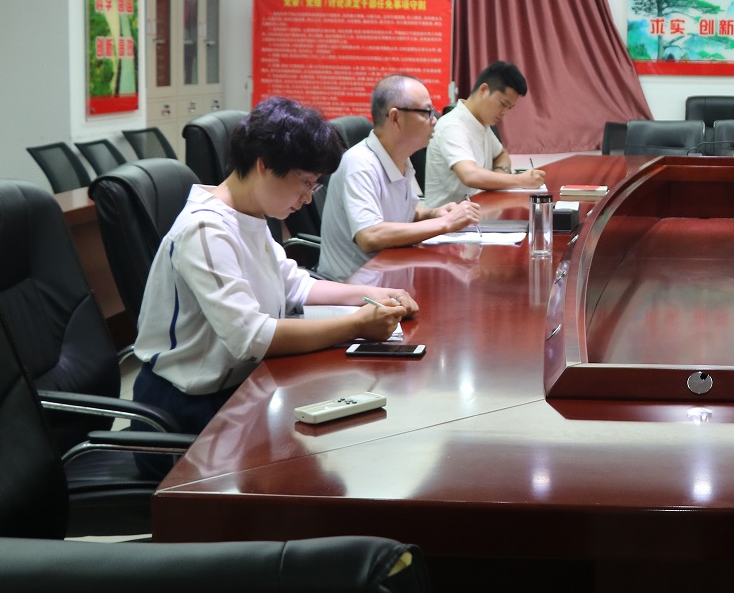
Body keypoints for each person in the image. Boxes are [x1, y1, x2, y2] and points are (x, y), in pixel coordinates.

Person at [132, 97, 416, 436]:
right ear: (264, 165)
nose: (308, 197)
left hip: (243, 386)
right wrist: (356, 325)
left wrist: (372, 294)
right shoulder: (205, 229)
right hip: (190, 409)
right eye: (306, 182)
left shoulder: (249, 213)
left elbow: (294, 284)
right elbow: (252, 338)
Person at [318, 74, 482, 282]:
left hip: (390, 276)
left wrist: (433, 214)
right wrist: (446, 223)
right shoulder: (360, 164)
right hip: (355, 288)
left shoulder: (400, 159)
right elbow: (370, 235)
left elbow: (396, 213)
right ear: (395, 118)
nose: (434, 120)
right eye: (426, 112)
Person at [423, 60, 547, 208]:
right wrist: (521, 180)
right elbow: (470, 175)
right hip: (449, 218)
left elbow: (501, 154)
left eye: (510, 108)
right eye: (503, 104)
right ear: (483, 90)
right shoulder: (453, 125)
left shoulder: (481, 123)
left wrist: (501, 172)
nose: (505, 112)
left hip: (479, 211)